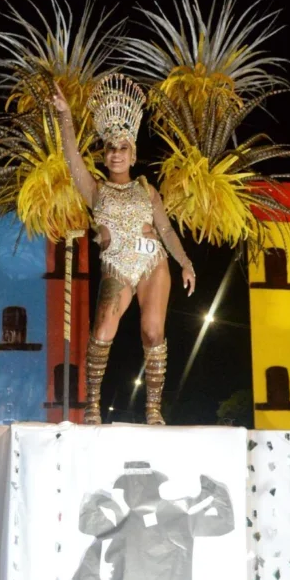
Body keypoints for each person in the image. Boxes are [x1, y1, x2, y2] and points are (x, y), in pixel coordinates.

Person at [51, 73, 196, 425]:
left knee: (152, 331)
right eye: (111, 148)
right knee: (102, 333)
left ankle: (153, 409)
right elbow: (71, 158)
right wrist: (66, 117)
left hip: (153, 263)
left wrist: (185, 262)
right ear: (104, 156)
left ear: (133, 154)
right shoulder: (95, 191)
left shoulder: (147, 190)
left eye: (123, 148)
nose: (116, 154)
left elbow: (165, 229)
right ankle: (93, 406)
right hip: (116, 267)